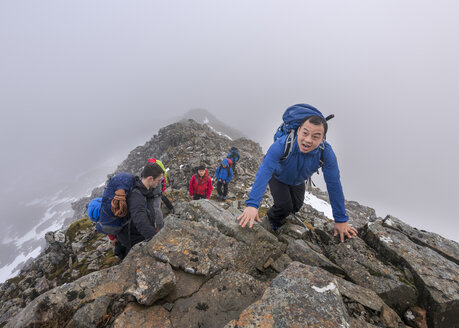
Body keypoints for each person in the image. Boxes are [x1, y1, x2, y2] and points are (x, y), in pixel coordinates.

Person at [237, 106, 357, 242]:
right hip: (278, 177)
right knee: (284, 206)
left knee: (296, 206)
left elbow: (334, 184)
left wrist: (341, 219)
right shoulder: (282, 145)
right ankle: (271, 223)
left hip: (298, 180)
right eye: (305, 133)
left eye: (315, 137)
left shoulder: (326, 153)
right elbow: (264, 171)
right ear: (298, 130)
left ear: (323, 138)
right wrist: (253, 205)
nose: (308, 140)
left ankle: (282, 219)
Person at [115, 163, 164, 259]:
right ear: (150, 179)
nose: (160, 183)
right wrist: (157, 240)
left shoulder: (145, 191)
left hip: (136, 234)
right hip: (132, 238)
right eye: (159, 180)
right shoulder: (137, 196)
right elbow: (140, 221)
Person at [147, 158, 174, 226]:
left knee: (161, 197)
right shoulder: (150, 169)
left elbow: (163, 177)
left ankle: (171, 208)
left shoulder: (158, 169)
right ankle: (171, 208)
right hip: (154, 189)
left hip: (159, 187)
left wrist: (163, 188)